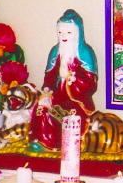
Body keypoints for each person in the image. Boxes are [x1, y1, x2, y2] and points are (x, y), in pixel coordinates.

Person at [29, 10, 97, 152]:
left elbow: (91, 84)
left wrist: (72, 78)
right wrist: (47, 91)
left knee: (71, 117)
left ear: (78, 33)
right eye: (60, 33)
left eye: (68, 33)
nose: (63, 36)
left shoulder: (85, 53)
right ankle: (43, 142)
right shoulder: (55, 51)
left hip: (76, 100)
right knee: (41, 109)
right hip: (57, 96)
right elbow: (49, 76)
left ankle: (66, 144)